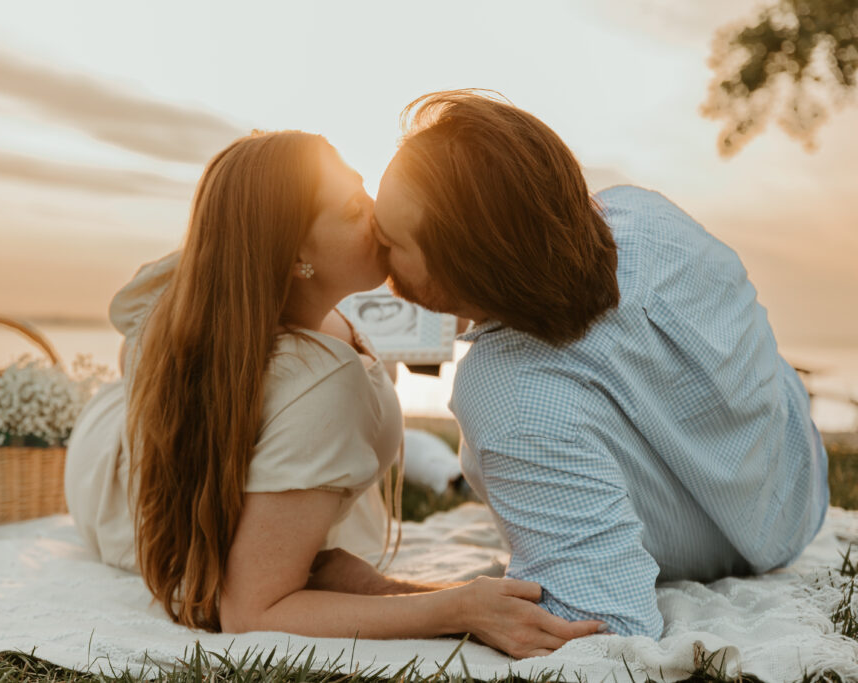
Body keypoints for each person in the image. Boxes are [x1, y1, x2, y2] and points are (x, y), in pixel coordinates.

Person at [63, 130, 605, 658]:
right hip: (112, 483)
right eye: (350, 212)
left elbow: (135, 313)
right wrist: (459, 609)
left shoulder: (225, 288)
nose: (375, 213)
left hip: (121, 429)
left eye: (362, 188)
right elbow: (252, 614)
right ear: (294, 258)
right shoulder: (320, 381)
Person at [360, 90, 829, 638]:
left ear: (468, 266)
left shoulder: (504, 389)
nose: (375, 248)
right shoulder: (645, 215)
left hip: (741, 547)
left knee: (514, 427)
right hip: (799, 476)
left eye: (390, 242)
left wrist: (394, 596)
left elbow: (607, 621)